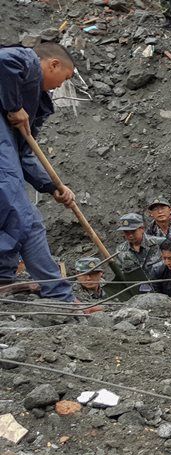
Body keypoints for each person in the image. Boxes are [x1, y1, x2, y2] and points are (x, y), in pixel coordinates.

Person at [0, 44, 77, 302]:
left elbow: (23, 155)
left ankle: (57, 294)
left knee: (25, 222)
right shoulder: (27, 60)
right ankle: (6, 278)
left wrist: (53, 186)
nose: (60, 86)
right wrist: (13, 106)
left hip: (7, 155)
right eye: (65, 78)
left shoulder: (30, 102)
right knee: (20, 215)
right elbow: (2, 60)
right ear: (53, 64)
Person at [114, 213, 164, 295]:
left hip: (161, 290)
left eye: (133, 231)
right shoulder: (120, 250)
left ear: (142, 229)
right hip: (137, 294)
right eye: (126, 232)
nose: (130, 235)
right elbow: (121, 275)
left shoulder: (159, 243)